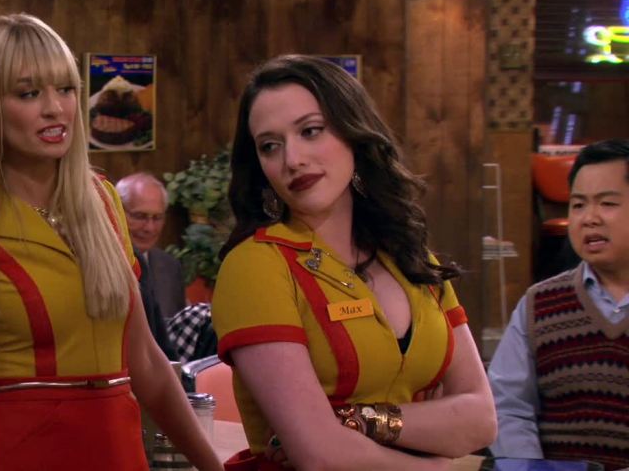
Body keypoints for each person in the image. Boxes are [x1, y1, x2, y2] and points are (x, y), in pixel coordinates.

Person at [0, 14, 222, 471]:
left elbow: (147, 364)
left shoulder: (104, 204)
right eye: (28, 93)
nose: (55, 108)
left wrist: (211, 466)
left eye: (66, 89)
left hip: (118, 454)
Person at [211, 55, 497, 470]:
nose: (292, 159)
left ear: (354, 132)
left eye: (311, 131)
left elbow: (481, 418)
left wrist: (360, 420)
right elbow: (319, 455)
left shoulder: (412, 259)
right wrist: (436, 464)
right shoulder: (255, 266)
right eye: (270, 146)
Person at [489, 138, 629, 470]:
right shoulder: (539, 304)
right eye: (578, 205)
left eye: (607, 203)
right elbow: (508, 407)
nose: (589, 218)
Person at [116, 172, 187, 320]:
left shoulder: (170, 267)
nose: (149, 228)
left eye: (157, 218)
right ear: (116, 212)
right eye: (139, 216)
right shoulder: (96, 265)